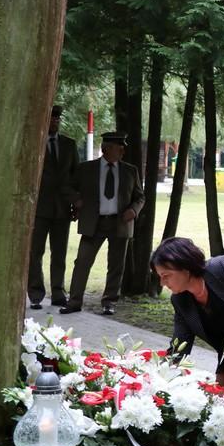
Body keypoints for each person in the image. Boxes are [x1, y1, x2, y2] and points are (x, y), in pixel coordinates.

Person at [151, 238, 224, 400]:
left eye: (166, 275)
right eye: (160, 276)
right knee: (223, 381)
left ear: (185, 268)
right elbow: (180, 343)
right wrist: (160, 376)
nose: (162, 283)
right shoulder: (181, 300)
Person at [60, 131, 144, 316]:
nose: (122, 152)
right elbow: (67, 187)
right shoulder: (86, 169)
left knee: (116, 265)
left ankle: (109, 302)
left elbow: (140, 197)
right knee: (82, 262)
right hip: (93, 223)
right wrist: (76, 200)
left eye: (123, 148)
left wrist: (134, 210)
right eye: (119, 148)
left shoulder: (130, 171)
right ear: (106, 149)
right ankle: (74, 302)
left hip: (120, 223)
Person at [28, 105, 79, 309]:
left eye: (57, 119)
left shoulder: (69, 144)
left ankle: (58, 293)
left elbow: (75, 177)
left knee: (59, 254)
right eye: (51, 119)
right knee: (35, 253)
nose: (55, 122)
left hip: (62, 209)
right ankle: (35, 294)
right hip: (39, 209)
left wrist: (75, 202)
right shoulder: (34, 143)